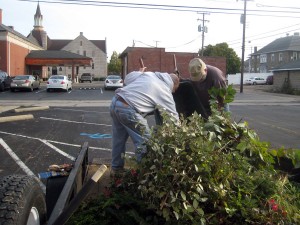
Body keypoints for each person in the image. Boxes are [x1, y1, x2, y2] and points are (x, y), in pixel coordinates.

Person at [109, 69, 180, 173]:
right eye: (174, 90)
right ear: (173, 84)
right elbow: (173, 117)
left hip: (115, 102)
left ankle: (116, 169)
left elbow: (127, 78)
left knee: (118, 139)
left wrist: (140, 72)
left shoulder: (149, 75)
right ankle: (143, 174)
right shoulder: (164, 90)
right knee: (145, 142)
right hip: (128, 109)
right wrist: (181, 132)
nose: (173, 92)